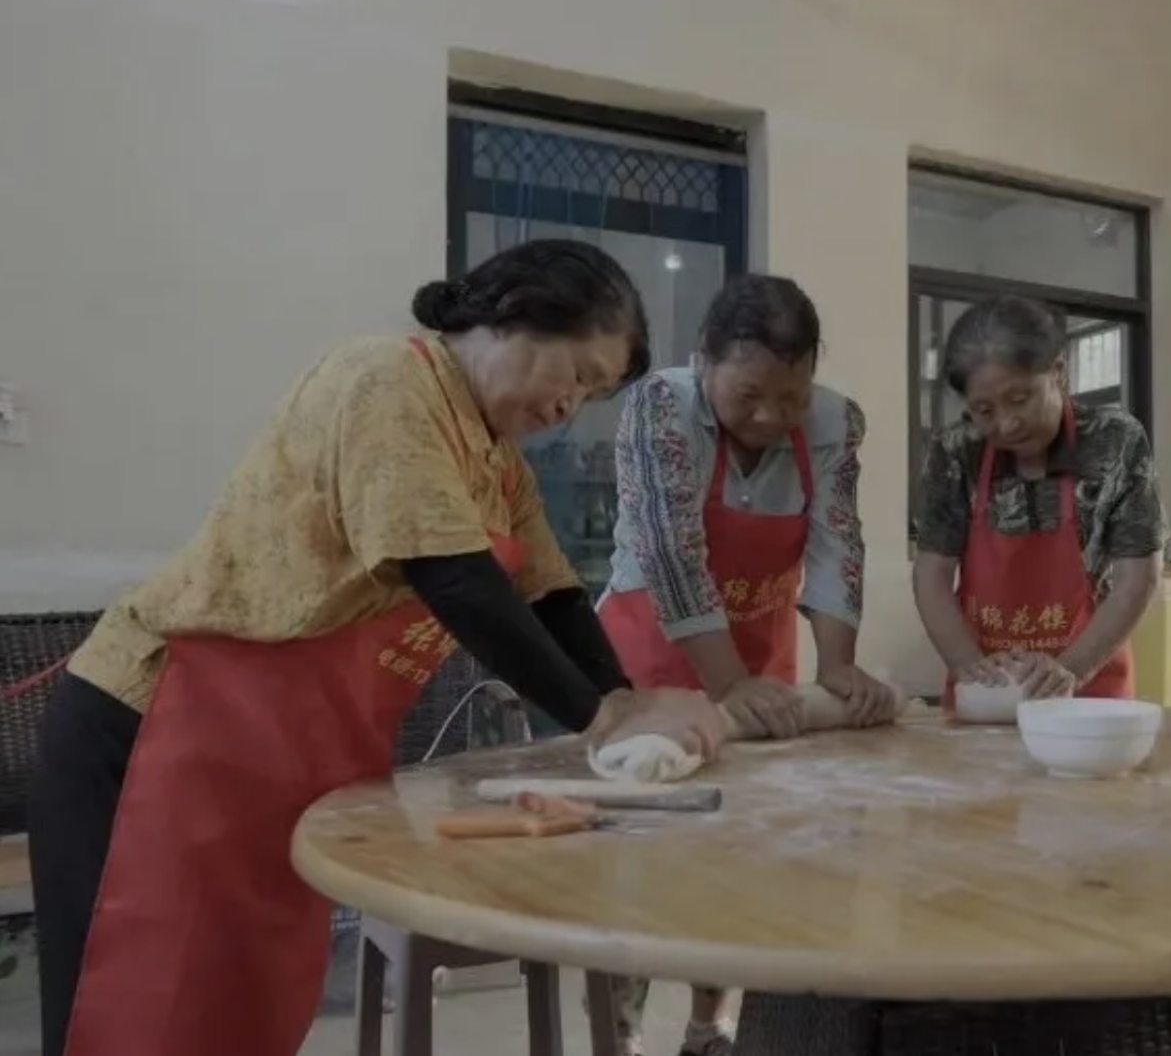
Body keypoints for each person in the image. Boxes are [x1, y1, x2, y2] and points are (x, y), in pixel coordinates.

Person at [29, 239, 727, 1056]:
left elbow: (554, 594)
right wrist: (604, 717)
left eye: (593, 394)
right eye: (574, 373)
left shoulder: (497, 465)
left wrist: (625, 703)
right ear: (516, 313)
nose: (569, 405)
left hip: (278, 764)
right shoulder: (387, 380)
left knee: (238, 1006)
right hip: (155, 731)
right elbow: (458, 583)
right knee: (134, 1010)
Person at [594, 273, 896, 1056]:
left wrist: (838, 669)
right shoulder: (662, 410)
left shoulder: (834, 423)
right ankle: (620, 1035)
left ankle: (709, 1028)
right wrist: (727, 685)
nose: (770, 417)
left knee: (740, 851)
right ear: (703, 362)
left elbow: (838, 543)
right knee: (638, 859)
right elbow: (672, 553)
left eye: (789, 396)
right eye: (748, 395)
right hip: (651, 653)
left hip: (760, 647)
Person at [913, 296, 1162, 707]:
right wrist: (974, 671)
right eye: (984, 410)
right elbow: (932, 577)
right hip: (989, 693)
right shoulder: (957, 449)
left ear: (1058, 372)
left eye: (1020, 398)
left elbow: (1137, 579)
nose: (1006, 424)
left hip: (1088, 690)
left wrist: (1071, 670)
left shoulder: (1115, 440)